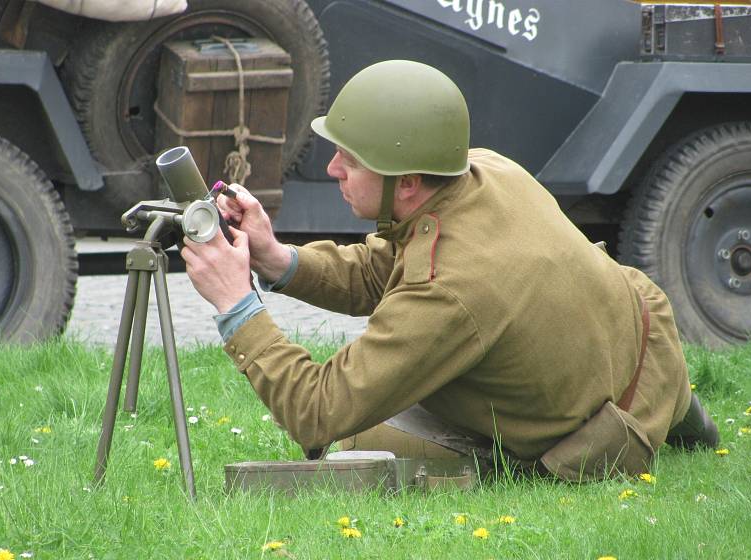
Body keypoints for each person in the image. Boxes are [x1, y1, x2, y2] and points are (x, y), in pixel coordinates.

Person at [181, 60, 718, 481]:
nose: (332, 168)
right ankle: (687, 419)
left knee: (362, 434)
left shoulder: (451, 290)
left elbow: (319, 410)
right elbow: (383, 269)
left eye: (349, 157)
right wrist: (275, 257)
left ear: (407, 181)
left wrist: (236, 305)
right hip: (646, 343)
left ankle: (667, 425)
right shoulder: (484, 169)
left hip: (601, 434)